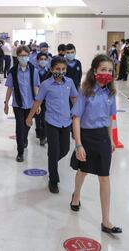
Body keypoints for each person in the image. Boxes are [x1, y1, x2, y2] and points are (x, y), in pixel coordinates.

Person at [70, 54, 122, 235]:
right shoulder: (85, 92)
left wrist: (112, 140)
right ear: (94, 71)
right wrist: (78, 145)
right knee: (83, 171)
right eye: (103, 70)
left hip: (102, 138)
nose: (106, 73)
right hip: (86, 137)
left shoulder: (110, 93)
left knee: (104, 177)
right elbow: (76, 119)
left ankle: (106, 220)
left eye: (110, 70)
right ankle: (76, 195)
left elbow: (109, 118)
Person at [26, 56, 78, 194]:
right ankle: (53, 180)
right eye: (57, 69)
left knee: (65, 149)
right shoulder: (46, 85)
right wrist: (30, 117)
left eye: (63, 69)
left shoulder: (70, 82)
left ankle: (52, 161)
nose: (60, 72)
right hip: (51, 122)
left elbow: (74, 98)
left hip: (66, 122)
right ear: (51, 69)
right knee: (54, 151)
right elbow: (37, 102)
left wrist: (79, 115)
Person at [4, 46, 40, 162]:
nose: (23, 58)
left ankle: (24, 139)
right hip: (18, 104)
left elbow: (35, 87)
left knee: (28, 124)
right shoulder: (13, 71)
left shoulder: (34, 71)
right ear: (17, 57)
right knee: (19, 127)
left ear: (28, 56)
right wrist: (6, 103)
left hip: (30, 104)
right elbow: (10, 88)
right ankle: (20, 152)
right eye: (21, 56)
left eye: (25, 55)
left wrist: (38, 104)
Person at [35, 52, 50, 146]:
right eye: (41, 59)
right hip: (37, 98)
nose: (43, 61)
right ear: (37, 60)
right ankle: (39, 132)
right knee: (37, 117)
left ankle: (43, 137)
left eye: (45, 59)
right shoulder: (34, 72)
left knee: (44, 118)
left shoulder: (49, 72)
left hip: (47, 99)